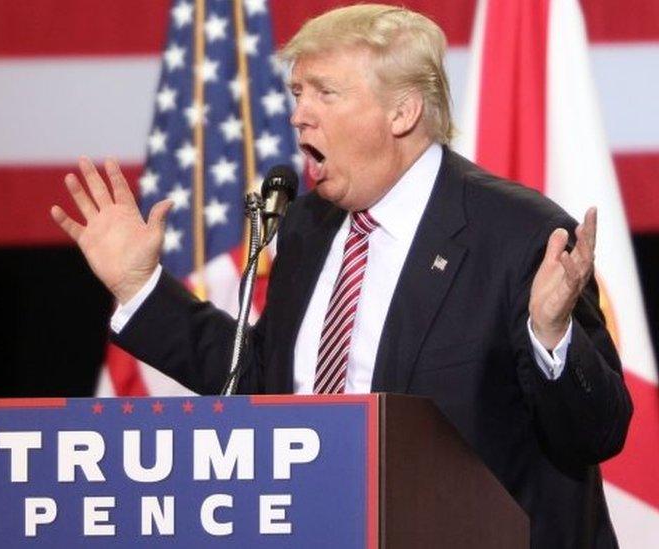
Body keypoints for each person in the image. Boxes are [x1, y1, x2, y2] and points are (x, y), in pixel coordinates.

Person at [49, 5, 632, 547]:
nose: (299, 112)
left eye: (325, 92)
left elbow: (597, 432)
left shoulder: (516, 233)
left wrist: (552, 337)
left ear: (402, 112)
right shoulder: (307, 225)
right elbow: (258, 384)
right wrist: (138, 288)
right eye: (298, 91)